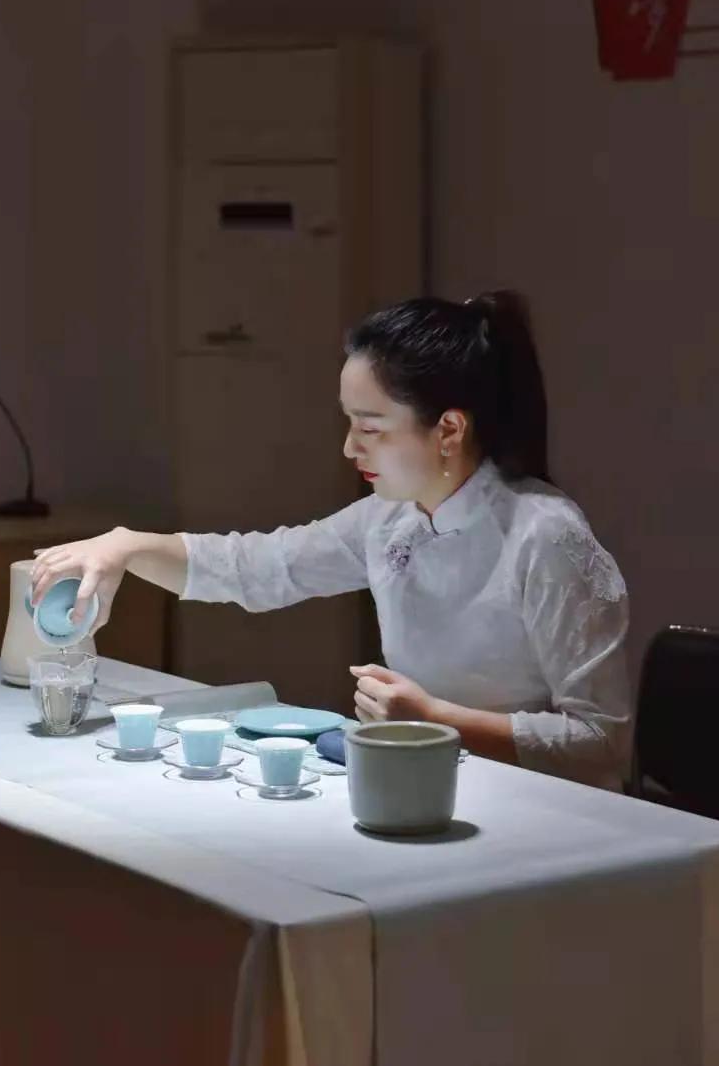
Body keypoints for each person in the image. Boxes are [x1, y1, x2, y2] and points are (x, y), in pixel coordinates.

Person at [32, 291, 631, 790]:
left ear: (449, 429)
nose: (349, 448)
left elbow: (602, 744)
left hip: (545, 809)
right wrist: (128, 546)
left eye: (370, 427)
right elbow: (259, 567)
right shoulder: (390, 519)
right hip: (427, 782)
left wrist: (435, 719)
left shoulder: (545, 536)